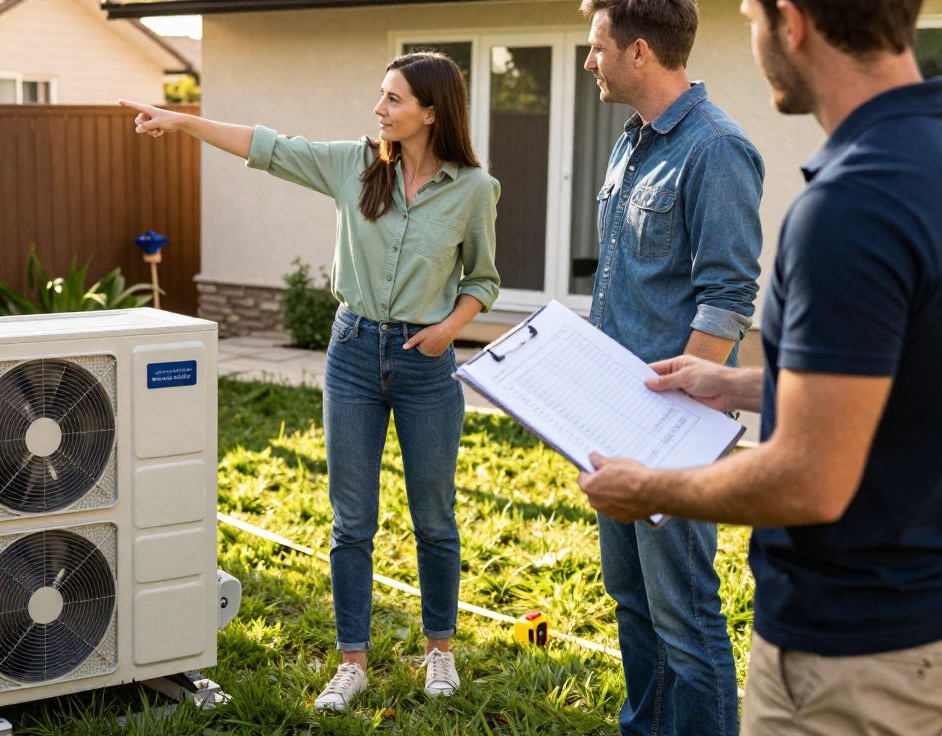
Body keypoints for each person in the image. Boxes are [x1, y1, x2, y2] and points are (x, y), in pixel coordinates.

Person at [577, 0, 942, 732]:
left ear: (792, 21)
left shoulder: (849, 205)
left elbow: (810, 476)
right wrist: (735, 382)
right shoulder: (919, 164)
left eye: (748, 15)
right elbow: (897, 379)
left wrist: (652, 482)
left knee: (687, 621)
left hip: (847, 657)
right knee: (638, 609)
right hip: (907, 624)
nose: (748, 36)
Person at [120, 51, 501, 713]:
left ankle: (440, 648)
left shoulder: (472, 190)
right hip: (352, 353)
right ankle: (351, 660)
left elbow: (484, 279)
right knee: (351, 522)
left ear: (431, 112)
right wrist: (180, 121)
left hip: (426, 364)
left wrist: (450, 328)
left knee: (434, 519)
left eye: (393, 99)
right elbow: (265, 146)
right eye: (380, 95)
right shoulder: (354, 165)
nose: (378, 109)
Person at [578, 1, 764, 733]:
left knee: (685, 618)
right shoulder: (631, 144)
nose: (590, 60)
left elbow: (727, 296)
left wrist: (677, 421)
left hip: (670, 425)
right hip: (614, 415)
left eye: (597, 48)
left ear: (641, 53)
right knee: (631, 600)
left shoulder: (716, 149)